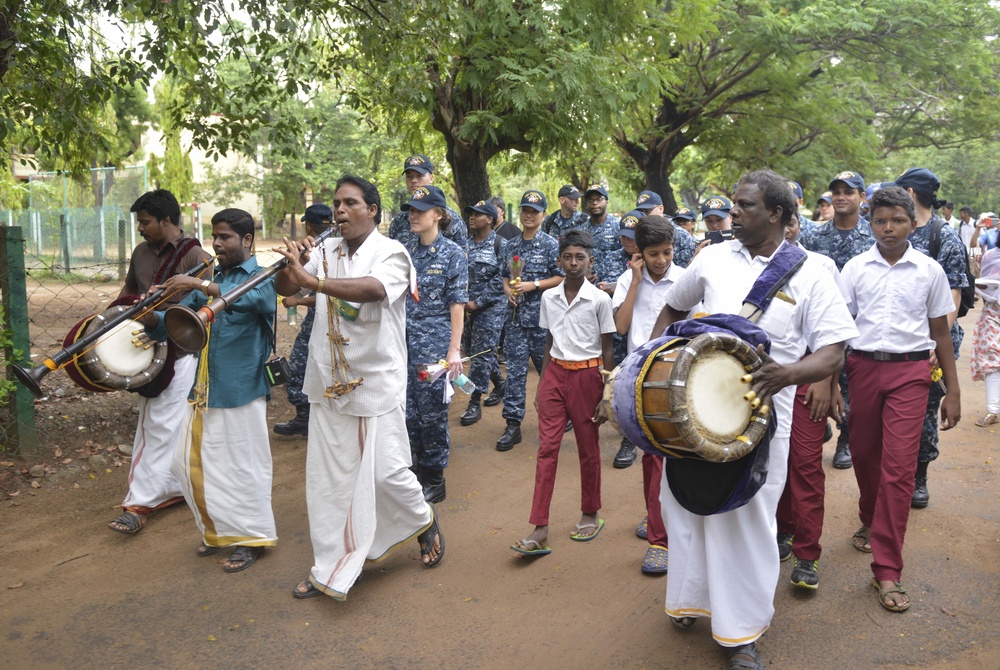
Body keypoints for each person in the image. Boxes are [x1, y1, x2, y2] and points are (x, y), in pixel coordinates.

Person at [650, 169, 857, 670]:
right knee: (686, 504)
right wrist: (650, 362)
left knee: (744, 516)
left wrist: (787, 373)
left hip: (765, 415)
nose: (733, 212)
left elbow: (833, 351)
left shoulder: (812, 270)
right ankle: (690, 600)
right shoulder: (712, 256)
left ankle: (740, 630)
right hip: (694, 410)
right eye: (735, 205)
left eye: (745, 206)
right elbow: (672, 308)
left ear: (778, 215)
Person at [274, 174, 444, 600]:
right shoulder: (325, 249)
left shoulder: (394, 253)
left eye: (350, 202)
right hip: (329, 383)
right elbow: (286, 287)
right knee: (330, 483)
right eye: (336, 203)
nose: (340, 210)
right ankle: (329, 567)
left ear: (373, 210)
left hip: (375, 383)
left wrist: (312, 282)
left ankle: (422, 519)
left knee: (388, 473)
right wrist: (290, 266)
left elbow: (372, 290)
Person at [839, 185, 960, 612]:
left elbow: (941, 332)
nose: (888, 228)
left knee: (899, 468)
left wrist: (953, 390)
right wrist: (832, 381)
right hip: (863, 369)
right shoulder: (854, 268)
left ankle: (887, 569)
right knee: (866, 455)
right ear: (870, 223)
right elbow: (838, 330)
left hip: (912, 373)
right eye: (880, 221)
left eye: (898, 220)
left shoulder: (929, 270)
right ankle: (870, 516)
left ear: (913, 222)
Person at [141, 208, 277, 572]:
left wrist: (196, 284)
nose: (216, 243)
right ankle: (220, 531)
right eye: (215, 236)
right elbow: (177, 320)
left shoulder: (259, 276)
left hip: (242, 388)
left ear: (246, 240)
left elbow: (257, 300)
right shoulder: (214, 275)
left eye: (225, 237)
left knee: (244, 468)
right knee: (189, 465)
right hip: (204, 387)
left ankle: (252, 538)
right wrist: (147, 314)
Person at [107, 189, 212, 535]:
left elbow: (210, 307)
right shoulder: (140, 253)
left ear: (166, 220)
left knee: (158, 427)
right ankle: (175, 488)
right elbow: (127, 295)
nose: (141, 228)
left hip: (182, 353)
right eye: (139, 222)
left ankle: (137, 503)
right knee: (163, 424)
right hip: (146, 352)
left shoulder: (196, 255)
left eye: (146, 222)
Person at [510, 229, 615, 556]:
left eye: (579, 257)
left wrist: (605, 394)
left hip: (587, 377)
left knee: (587, 448)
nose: (573, 263)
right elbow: (550, 342)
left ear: (590, 261)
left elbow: (608, 349)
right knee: (547, 449)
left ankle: (590, 513)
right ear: (559, 260)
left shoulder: (600, 300)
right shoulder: (548, 297)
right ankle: (539, 527)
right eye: (567, 257)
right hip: (555, 373)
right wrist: (543, 384)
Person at [893, 167, 969, 508]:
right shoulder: (892, 229)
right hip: (895, 339)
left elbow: (953, 296)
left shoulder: (943, 235)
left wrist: (936, 343)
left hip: (932, 341)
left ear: (910, 194)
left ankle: (918, 476)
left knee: (924, 409)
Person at [774, 209, 842, 590]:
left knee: (805, 464)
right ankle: (782, 530)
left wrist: (828, 381)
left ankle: (807, 553)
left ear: (799, 225)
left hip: (808, 376)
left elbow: (835, 330)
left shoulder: (821, 265)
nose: (785, 230)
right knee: (769, 461)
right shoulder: (749, 264)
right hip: (762, 376)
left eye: (792, 223)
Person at [612, 215, 683, 574]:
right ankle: (656, 526)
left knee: (672, 456)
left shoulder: (686, 279)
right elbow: (621, 327)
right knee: (650, 455)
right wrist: (637, 282)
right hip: (640, 377)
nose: (660, 260)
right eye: (652, 253)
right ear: (639, 253)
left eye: (666, 252)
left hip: (676, 378)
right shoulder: (628, 280)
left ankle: (664, 531)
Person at [799, 170, 873, 470]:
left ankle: (845, 439)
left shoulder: (874, 236)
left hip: (860, 329)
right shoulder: (813, 236)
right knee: (816, 382)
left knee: (852, 386)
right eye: (837, 192)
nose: (841, 197)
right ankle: (819, 429)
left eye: (849, 191)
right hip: (819, 327)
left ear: (862, 197)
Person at [401, 185, 468, 503]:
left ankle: (435, 476)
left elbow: (457, 306)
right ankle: (413, 470)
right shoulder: (403, 250)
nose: (413, 214)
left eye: (420, 209)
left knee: (431, 412)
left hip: (434, 350)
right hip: (402, 346)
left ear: (438, 215)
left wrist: (454, 350)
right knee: (406, 411)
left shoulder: (453, 255)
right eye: (411, 209)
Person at [496, 190, 564, 451]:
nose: (528, 215)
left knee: (551, 372)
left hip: (542, 322)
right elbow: (504, 275)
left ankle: (557, 416)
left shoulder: (550, 245)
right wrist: (508, 290)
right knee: (514, 374)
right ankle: (513, 424)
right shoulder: (510, 245)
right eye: (525, 210)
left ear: (543, 215)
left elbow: (560, 277)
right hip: (515, 321)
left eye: (534, 211)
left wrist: (533, 285)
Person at [273, 204, 333, 437]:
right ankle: (309, 417)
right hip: (318, 321)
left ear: (307, 225)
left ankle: (306, 417)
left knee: (299, 365)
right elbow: (296, 285)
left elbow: (328, 296)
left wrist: (298, 302)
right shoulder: (317, 249)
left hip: (324, 321)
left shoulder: (328, 248)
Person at [460, 199, 508, 427]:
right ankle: (500, 384)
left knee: (480, 356)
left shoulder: (501, 244)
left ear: (489, 219)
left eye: (477, 214)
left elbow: (503, 279)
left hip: (491, 308)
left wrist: (477, 302)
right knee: (474, 352)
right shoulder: (465, 246)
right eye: (470, 213)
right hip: (468, 309)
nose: (471, 217)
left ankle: (474, 400)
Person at [387, 154, 467, 248]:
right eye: (409, 176)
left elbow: (462, 257)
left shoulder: (452, 220)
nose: (414, 180)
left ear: (431, 178)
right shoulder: (399, 220)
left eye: (419, 176)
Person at [972, 248, 1000, 426]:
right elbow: (983, 285)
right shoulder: (991, 255)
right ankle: (993, 410)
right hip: (993, 312)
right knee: (991, 357)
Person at [634, 190, 697, 268]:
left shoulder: (681, 234)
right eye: (640, 211)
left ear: (661, 209)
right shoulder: (638, 232)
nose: (643, 215)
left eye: (647, 211)